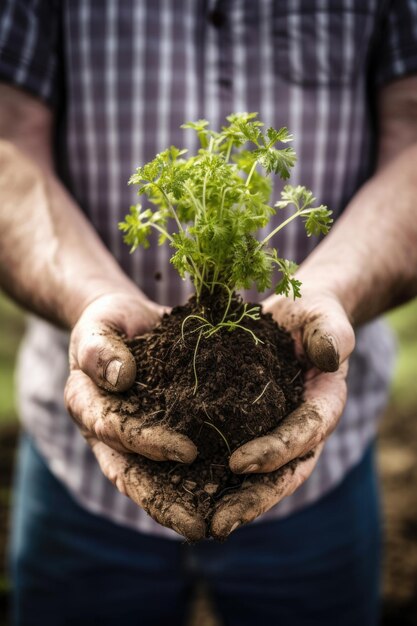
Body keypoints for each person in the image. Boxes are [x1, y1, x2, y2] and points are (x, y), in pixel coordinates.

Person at [1, 1, 417, 624]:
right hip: (76, 468)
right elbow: (7, 134)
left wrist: (331, 288)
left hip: (323, 463)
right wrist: (90, 297)